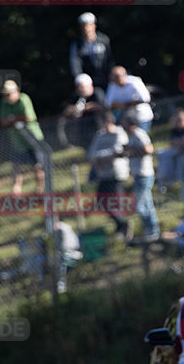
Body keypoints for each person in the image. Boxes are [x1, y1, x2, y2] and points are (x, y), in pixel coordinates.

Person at [87, 112, 132, 241]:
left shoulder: (119, 134)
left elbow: (117, 152)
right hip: (103, 175)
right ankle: (122, 224)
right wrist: (99, 158)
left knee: (116, 203)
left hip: (117, 175)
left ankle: (122, 228)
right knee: (102, 202)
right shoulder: (100, 135)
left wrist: (99, 158)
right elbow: (91, 154)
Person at [0, 80, 45, 195]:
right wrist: (16, 118)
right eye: (5, 94)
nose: (7, 97)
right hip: (17, 141)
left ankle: (40, 191)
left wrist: (11, 118)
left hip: (33, 138)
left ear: (16, 91)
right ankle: (16, 192)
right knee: (16, 166)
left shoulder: (23, 99)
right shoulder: (3, 103)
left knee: (37, 166)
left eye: (9, 94)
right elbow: (3, 122)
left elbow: (27, 117)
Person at [121, 112, 160, 242]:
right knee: (147, 204)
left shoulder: (138, 133)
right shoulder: (133, 135)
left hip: (144, 174)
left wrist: (130, 149)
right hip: (139, 175)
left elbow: (149, 149)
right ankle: (151, 232)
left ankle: (152, 231)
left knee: (140, 205)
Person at [69, 12, 114, 90]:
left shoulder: (104, 40)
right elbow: (75, 63)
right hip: (87, 82)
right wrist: (81, 79)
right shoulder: (77, 44)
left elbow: (110, 59)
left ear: (94, 26)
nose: (87, 28)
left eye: (89, 25)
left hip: (105, 78)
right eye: (84, 26)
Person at [63, 73, 106, 149]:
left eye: (82, 87)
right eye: (78, 87)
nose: (80, 89)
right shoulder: (76, 97)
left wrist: (85, 107)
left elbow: (102, 106)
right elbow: (67, 111)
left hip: (99, 130)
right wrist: (74, 109)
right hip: (84, 133)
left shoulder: (97, 93)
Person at [105, 66, 153, 132]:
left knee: (141, 139)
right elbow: (108, 104)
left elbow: (145, 98)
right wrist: (118, 105)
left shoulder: (135, 82)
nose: (114, 79)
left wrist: (127, 104)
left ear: (124, 75)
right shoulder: (112, 86)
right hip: (125, 120)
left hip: (141, 117)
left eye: (116, 76)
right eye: (113, 76)